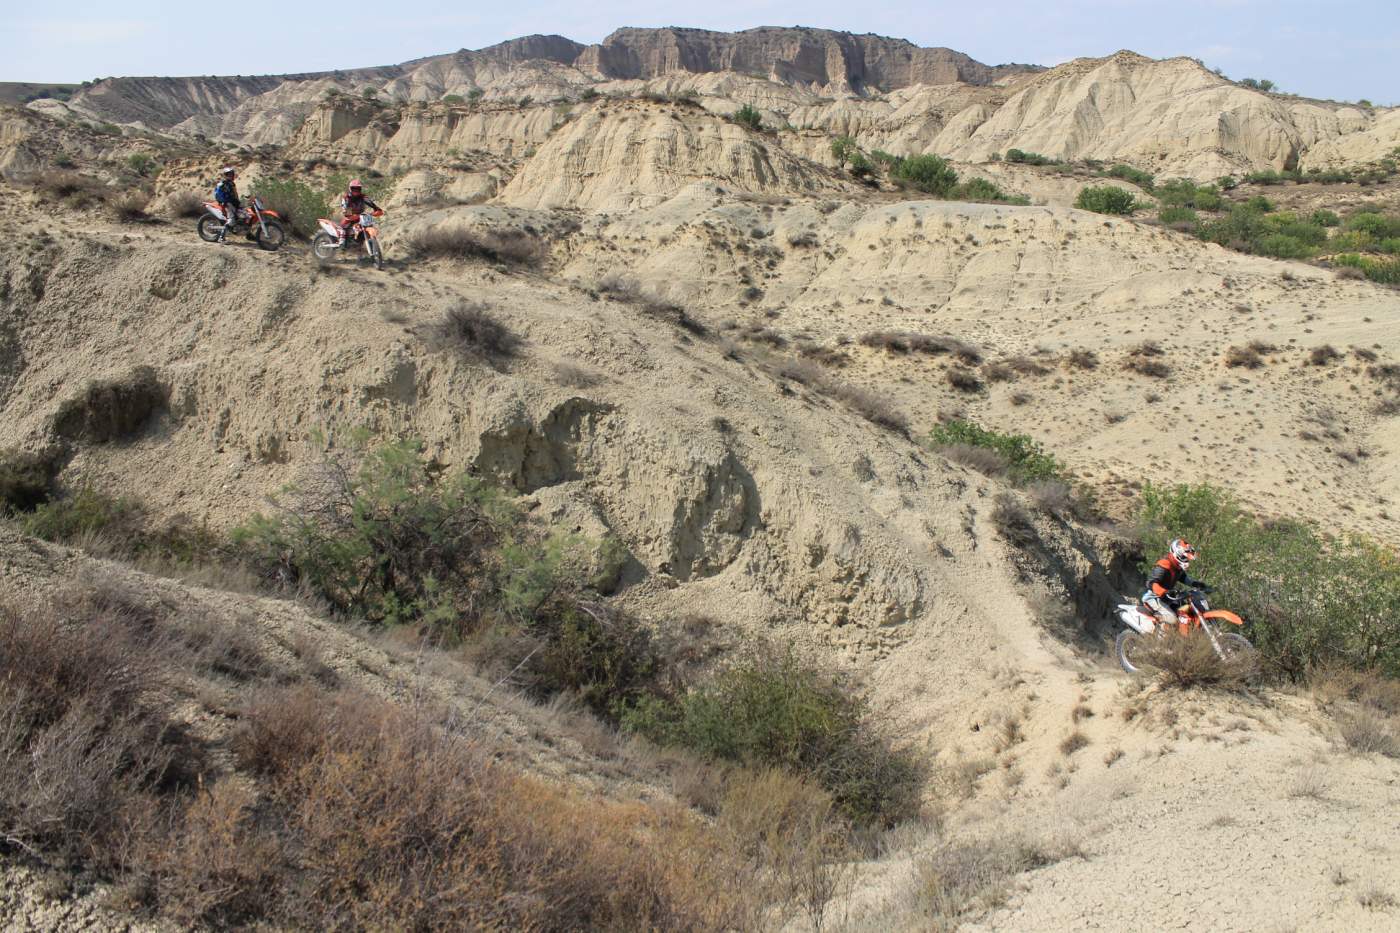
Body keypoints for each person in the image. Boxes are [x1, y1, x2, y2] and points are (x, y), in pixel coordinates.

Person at [1142, 538, 1204, 626]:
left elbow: (1183, 578)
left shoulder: (1177, 566)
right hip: (1154, 598)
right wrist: (1164, 591)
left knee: (1186, 613)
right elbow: (1151, 583)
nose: (1186, 559)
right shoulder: (1164, 564)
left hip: (1167, 598)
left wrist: (1197, 584)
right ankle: (1158, 629)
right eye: (1184, 556)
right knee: (1173, 619)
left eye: (1186, 557)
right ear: (1177, 554)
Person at [213, 167, 241, 244]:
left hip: (233, 203)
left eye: (232, 174)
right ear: (225, 175)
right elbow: (223, 196)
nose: (231, 176)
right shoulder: (223, 184)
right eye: (229, 174)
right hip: (226, 203)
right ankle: (221, 238)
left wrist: (238, 202)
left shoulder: (232, 183)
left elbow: (235, 194)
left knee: (243, 215)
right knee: (231, 219)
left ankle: (248, 234)